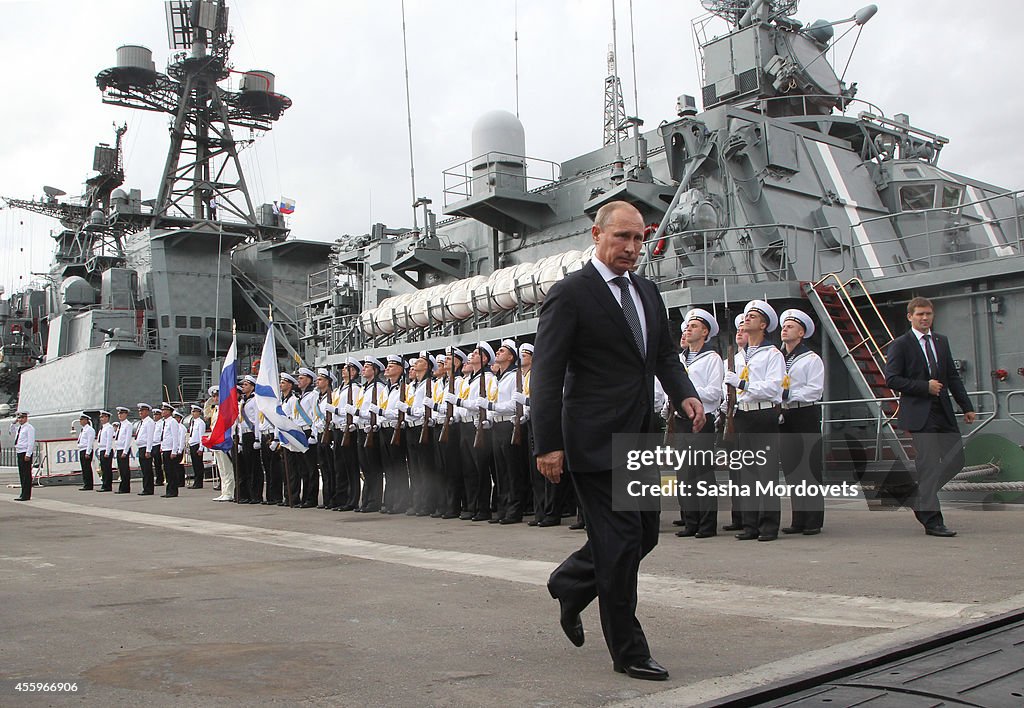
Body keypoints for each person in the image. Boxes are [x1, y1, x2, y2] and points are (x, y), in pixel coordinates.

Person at [532, 200, 704, 681]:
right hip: (592, 440)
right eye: (621, 238)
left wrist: (685, 394)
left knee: (643, 535)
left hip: (641, 437)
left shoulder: (648, 291)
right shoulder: (571, 294)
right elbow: (545, 376)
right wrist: (546, 444)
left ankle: (570, 582)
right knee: (621, 540)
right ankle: (628, 650)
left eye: (638, 239)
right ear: (596, 234)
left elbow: (664, 356)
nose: (631, 248)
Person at [884, 296, 975, 537]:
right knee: (929, 466)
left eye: (928, 314)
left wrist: (966, 406)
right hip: (919, 414)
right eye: (920, 314)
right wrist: (925, 387)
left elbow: (952, 377)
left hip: (943, 411)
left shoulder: (941, 342)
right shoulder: (900, 345)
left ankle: (919, 496)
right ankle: (933, 521)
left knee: (956, 460)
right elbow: (892, 378)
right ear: (910, 317)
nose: (925, 318)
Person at [724, 300, 784, 541]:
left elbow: (773, 387)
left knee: (766, 474)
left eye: (753, 316)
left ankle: (769, 526)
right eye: (745, 316)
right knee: (747, 474)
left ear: (764, 324)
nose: (746, 319)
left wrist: (742, 384)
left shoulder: (772, 354)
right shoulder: (738, 357)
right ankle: (750, 525)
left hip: (763, 414)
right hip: (743, 414)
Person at [667, 309, 724, 539]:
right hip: (681, 420)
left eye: (695, 326)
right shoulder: (679, 359)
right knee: (684, 475)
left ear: (705, 332)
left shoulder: (712, 358)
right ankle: (690, 522)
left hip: (702, 420)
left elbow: (714, 393)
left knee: (703, 475)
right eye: (687, 326)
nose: (688, 329)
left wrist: (687, 393)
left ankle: (707, 524)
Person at [777, 309, 825, 535]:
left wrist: (787, 394)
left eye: (790, 326)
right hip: (783, 415)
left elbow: (814, 391)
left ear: (801, 332)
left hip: (804, 413)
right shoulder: (777, 358)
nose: (785, 329)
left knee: (809, 467)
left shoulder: (811, 359)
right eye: (784, 325)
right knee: (792, 468)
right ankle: (798, 519)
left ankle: (813, 520)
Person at [11, 411, 36, 501]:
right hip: (19, 451)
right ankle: (23, 493)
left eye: (22, 418)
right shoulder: (20, 428)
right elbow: (12, 431)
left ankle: (26, 495)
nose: (20, 420)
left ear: (26, 418)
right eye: (19, 418)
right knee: (22, 474)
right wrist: (13, 423)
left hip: (25, 452)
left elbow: (31, 442)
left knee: (26, 474)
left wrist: (28, 454)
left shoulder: (29, 428)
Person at [135, 403, 157, 496]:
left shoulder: (149, 422)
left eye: (142, 410)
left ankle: (148, 489)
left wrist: (148, 450)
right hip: (141, 447)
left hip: (145, 448)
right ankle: (146, 488)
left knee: (147, 469)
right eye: (140, 411)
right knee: (144, 470)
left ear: (147, 411)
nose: (140, 412)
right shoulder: (142, 422)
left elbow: (150, 437)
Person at [187, 404, 207, 489]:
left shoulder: (200, 423)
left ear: (199, 412)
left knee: (198, 465)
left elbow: (201, 436)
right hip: (192, 444)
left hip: (197, 445)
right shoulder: (193, 422)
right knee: (195, 464)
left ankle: (199, 482)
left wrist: (201, 448)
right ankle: (196, 482)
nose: (193, 413)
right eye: (192, 411)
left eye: (195, 411)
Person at [114, 406, 133, 493]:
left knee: (124, 469)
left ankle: (125, 487)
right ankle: (122, 487)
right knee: (121, 469)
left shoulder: (128, 425)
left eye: (121, 413)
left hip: (123, 449)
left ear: (126, 414)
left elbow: (128, 439)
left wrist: (125, 451)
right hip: (119, 448)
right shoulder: (120, 425)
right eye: (119, 413)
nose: (119, 415)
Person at [76, 413, 96, 491]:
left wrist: (88, 452)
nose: (80, 421)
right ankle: (86, 483)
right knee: (84, 468)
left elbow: (90, 442)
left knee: (87, 468)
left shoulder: (89, 430)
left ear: (86, 420)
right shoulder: (83, 429)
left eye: (81, 420)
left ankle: (89, 484)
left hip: (86, 450)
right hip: (82, 449)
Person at [96, 410, 115, 492]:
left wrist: (107, 452)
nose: (101, 419)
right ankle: (104, 484)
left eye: (103, 417)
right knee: (103, 469)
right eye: (101, 417)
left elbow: (109, 441)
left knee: (107, 469)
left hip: (106, 450)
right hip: (102, 449)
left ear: (107, 418)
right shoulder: (102, 428)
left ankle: (107, 486)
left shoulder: (109, 428)